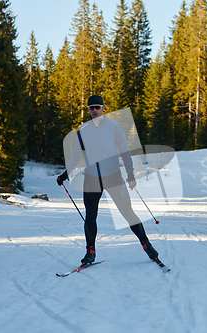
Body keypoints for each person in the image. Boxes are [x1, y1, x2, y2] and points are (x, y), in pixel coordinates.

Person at [56, 95, 159, 266]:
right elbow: (76, 155)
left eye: (97, 106)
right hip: (92, 178)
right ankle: (90, 252)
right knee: (90, 217)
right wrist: (66, 174)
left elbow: (125, 151)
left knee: (127, 213)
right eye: (91, 107)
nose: (95, 110)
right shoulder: (83, 130)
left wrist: (131, 174)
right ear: (88, 110)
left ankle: (147, 245)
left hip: (113, 176)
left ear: (104, 108)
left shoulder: (114, 127)